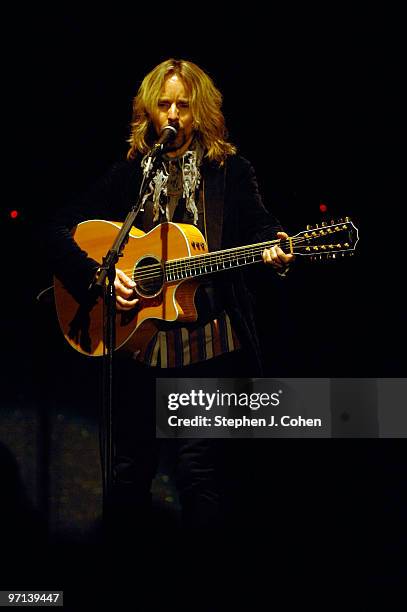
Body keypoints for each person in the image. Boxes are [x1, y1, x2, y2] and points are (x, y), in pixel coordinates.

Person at [44, 58, 295, 538]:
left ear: (201, 111)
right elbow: (55, 231)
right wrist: (101, 275)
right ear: (149, 113)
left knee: (200, 476)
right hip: (138, 346)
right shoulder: (130, 176)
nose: (174, 113)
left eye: (184, 104)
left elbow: (263, 228)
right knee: (127, 474)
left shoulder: (231, 172)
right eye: (165, 104)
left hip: (207, 346)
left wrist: (277, 246)